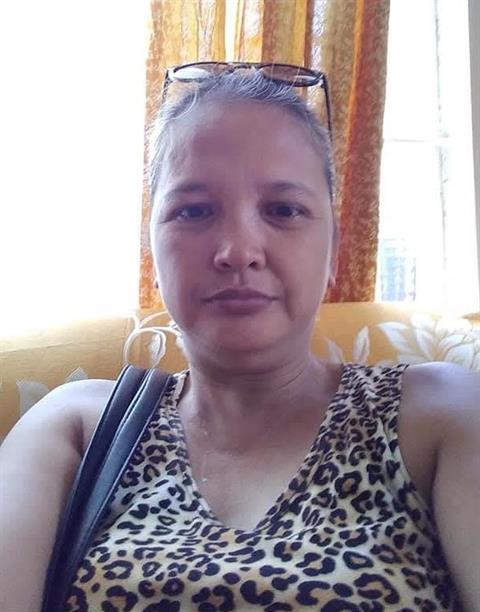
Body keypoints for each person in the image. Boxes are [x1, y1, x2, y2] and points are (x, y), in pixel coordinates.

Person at [1, 63, 479, 612]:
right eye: (194, 210)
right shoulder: (78, 426)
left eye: (283, 210)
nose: (238, 251)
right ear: (152, 252)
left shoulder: (440, 414)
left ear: (333, 252)